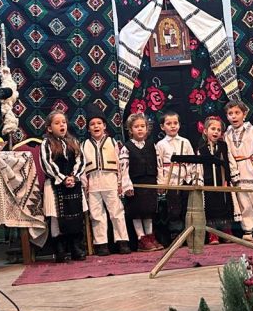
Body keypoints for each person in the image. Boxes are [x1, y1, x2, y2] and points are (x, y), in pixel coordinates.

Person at [80, 115, 132, 256]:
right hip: (93, 182)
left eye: (99, 123)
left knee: (117, 212)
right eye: (92, 124)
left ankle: (122, 241)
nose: (96, 126)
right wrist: (85, 185)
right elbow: (82, 167)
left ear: (104, 126)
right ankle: (101, 244)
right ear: (88, 128)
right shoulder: (84, 145)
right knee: (96, 214)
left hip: (110, 180)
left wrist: (120, 182)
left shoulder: (112, 142)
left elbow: (120, 164)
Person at [40, 111, 88, 262]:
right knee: (56, 216)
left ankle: (76, 247)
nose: (62, 125)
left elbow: (81, 160)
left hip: (73, 182)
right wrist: (62, 178)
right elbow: (47, 163)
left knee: (76, 215)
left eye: (64, 122)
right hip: (55, 184)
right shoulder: (46, 143)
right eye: (57, 123)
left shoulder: (74, 142)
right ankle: (60, 250)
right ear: (49, 128)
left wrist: (74, 176)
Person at [224, 100, 253, 240]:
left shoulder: (252, 130)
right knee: (244, 202)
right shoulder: (227, 134)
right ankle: (248, 229)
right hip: (238, 170)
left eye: (237, 113)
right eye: (230, 113)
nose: (234, 116)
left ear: (244, 114)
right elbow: (228, 154)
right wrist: (233, 171)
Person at [118, 112, 164, 251]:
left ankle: (150, 236)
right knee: (137, 211)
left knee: (148, 211)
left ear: (147, 128)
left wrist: (160, 182)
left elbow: (159, 165)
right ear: (130, 129)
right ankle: (141, 238)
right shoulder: (127, 148)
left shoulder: (152, 145)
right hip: (135, 185)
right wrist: (127, 185)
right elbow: (124, 169)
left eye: (142, 126)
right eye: (136, 126)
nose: (140, 129)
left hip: (149, 182)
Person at [155, 110, 197, 237]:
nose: (173, 126)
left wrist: (192, 177)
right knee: (174, 208)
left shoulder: (185, 142)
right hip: (171, 182)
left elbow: (192, 161)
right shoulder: (161, 145)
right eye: (169, 124)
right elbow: (159, 165)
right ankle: (176, 233)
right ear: (162, 127)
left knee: (187, 207)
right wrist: (161, 183)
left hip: (186, 180)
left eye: (175, 123)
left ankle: (189, 233)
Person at [197, 116, 237, 243]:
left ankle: (226, 231)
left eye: (218, 130)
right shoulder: (201, 149)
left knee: (225, 205)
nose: (216, 132)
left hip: (222, 181)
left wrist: (229, 179)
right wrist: (200, 181)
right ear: (205, 131)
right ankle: (213, 234)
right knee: (211, 207)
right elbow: (199, 167)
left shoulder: (223, 146)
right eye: (213, 129)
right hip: (209, 182)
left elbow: (229, 162)